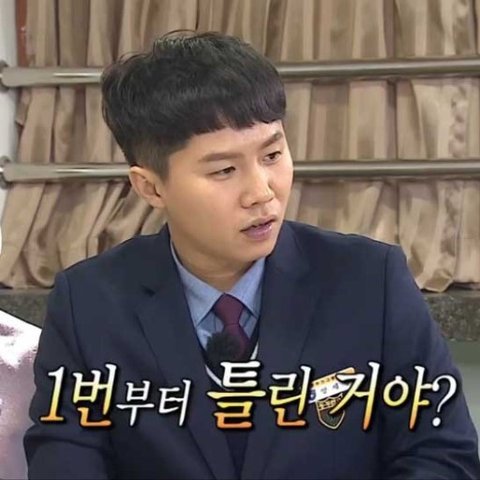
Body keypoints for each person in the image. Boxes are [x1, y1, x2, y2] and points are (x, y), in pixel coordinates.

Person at [24, 31, 480, 480]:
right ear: (151, 187)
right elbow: (64, 461)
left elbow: (442, 454)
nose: (261, 192)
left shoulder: (370, 282)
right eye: (224, 170)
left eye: (272, 154)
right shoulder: (89, 304)